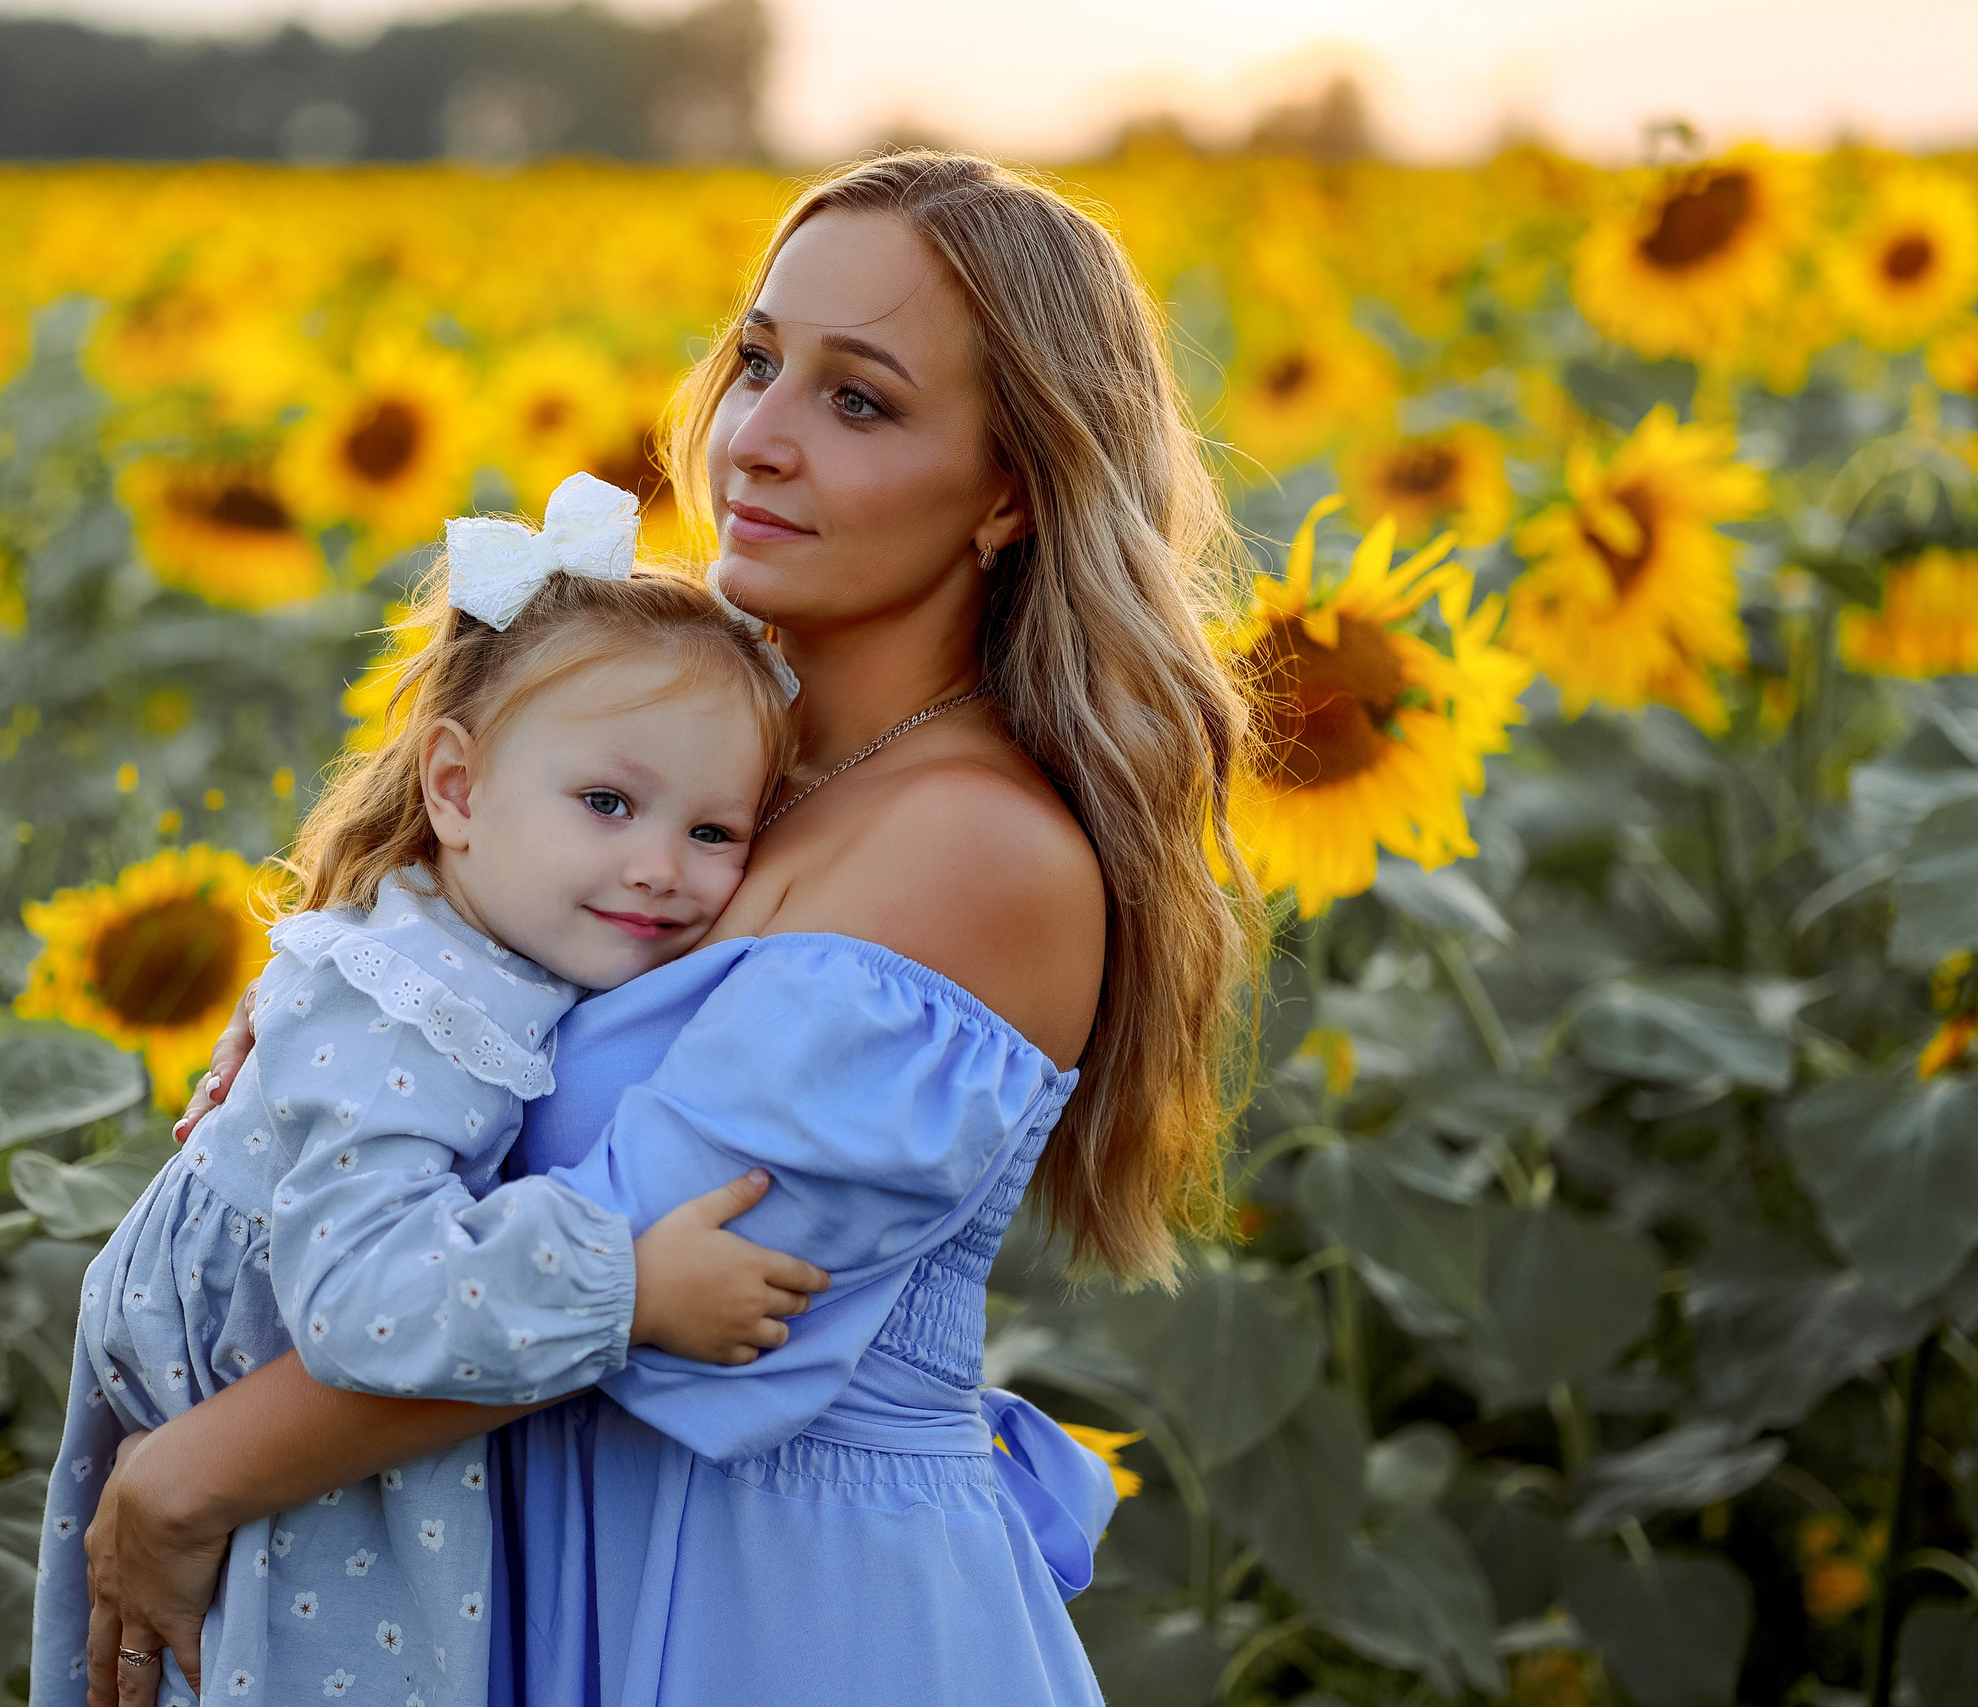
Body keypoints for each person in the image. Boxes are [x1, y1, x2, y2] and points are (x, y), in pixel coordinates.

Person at [90, 149, 1262, 1707]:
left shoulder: (973, 849)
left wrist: (182, 1483)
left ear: (1009, 490)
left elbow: (654, 1269)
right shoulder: (709, 780)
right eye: (760, 360)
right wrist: (353, 1002)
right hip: (545, 1556)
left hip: (768, 1603)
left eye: (861, 400)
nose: (756, 440)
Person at [34, 472, 827, 1706]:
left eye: (715, 833)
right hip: (298, 1528)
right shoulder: (413, 1011)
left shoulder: (471, 950)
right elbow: (363, 1303)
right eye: (607, 804)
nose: (660, 868)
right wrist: (626, 1289)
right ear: (455, 789)